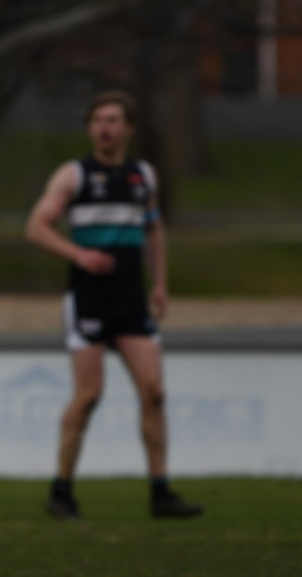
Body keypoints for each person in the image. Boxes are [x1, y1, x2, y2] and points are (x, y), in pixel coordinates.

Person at [24, 90, 203, 520]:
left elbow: (154, 231)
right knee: (89, 395)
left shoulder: (144, 176)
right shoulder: (75, 175)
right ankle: (61, 490)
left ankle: (160, 492)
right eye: (97, 120)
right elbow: (36, 226)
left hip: (130, 301)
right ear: (90, 128)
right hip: (88, 300)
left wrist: (159, 284)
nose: (104, 127)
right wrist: (78, 255)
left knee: (155, 392)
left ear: (128, 128)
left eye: (112, 120)